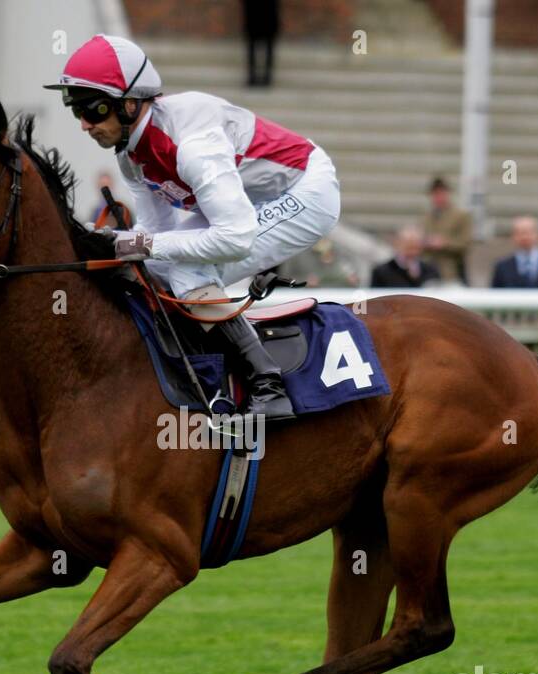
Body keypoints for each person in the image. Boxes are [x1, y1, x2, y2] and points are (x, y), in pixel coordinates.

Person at [45, 34, 342, 421]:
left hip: (305, 190)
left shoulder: (192, 147)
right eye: (76, 112)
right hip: (248, 197)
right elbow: (155, 238)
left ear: (130, 103)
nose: (85, 125)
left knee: (189, 269)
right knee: (160, 265)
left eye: (94, 109)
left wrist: (128, 244)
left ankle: (268, 385)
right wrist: (118, 245)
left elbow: (235, 238)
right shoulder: (131, 155)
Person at [490, 217, 538, 288]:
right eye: (520, 233)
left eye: (528, 232)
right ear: (513, 236)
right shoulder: (502, 266)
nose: (524, 237)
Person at [422, 177, 472, 284]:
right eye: (435, 194)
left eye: (441, 193)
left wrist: (445, 243)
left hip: (452, 272)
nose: (438, 197)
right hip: (429, 271)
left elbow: (466, 243)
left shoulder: (460, 216)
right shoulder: (426, 217)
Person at [371, 226, 439, 288]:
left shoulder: (431, 270)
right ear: (397, 245)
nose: (412, 253)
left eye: (416, 248)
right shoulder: (381, 272)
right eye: (408, 248)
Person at [242, 0, 280, 88]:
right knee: (260, 48)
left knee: (261, 48)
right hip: (258, 18)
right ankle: (258, 76)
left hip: (261, 18)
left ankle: (260, 76)